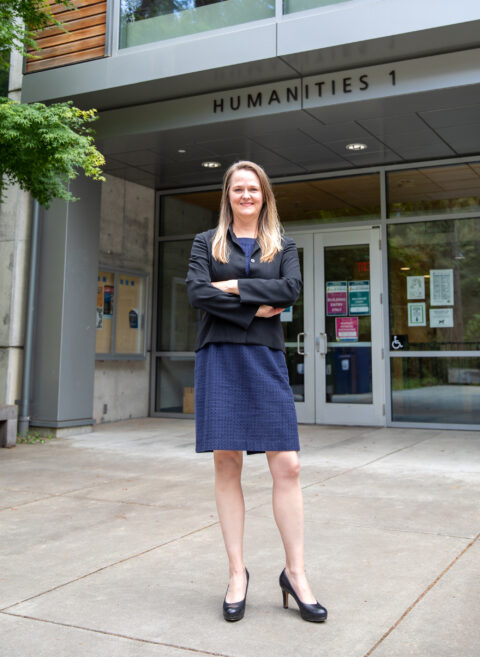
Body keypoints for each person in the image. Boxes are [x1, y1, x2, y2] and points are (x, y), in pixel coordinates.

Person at [186, 160, 327, 623]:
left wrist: (230, 285)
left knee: (287, 463)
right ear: (227, 195)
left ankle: (296, 573)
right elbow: (196, 293)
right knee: (227, 462)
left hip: (265, 358)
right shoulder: (205, 242)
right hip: (220, 354)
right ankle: (236, 573)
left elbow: (290, 289)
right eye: (237, 189)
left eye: (254, 189)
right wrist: (254, 301)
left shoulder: (282, 245)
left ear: (264, 195)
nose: (246, 195)